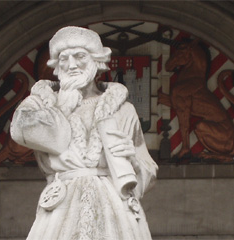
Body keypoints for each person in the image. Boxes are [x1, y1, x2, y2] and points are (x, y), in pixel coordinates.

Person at [10, 26, 158, 240]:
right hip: (61, 207)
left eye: (80, 56)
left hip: (115, 209)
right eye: (63, 59)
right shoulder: (42, 102)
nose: (71, 64)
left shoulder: (123, 110)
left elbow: (148, 169)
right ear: (56, 66)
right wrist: (61, 105)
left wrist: (132, 159)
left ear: (97, 61)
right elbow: (23, 131)